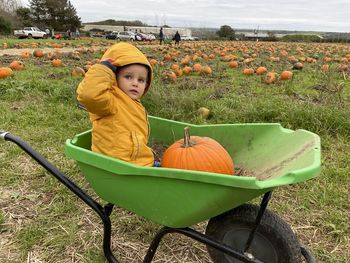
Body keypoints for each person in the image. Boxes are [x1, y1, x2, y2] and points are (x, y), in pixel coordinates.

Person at [76, 42, 156, 167]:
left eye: (141, 80)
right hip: (118, 164)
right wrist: (103, 69)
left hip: (136, 161)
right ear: (114, 78)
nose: (135, 83)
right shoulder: (110, 101)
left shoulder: (135, 103)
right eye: (128, 77)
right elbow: (89, 95)